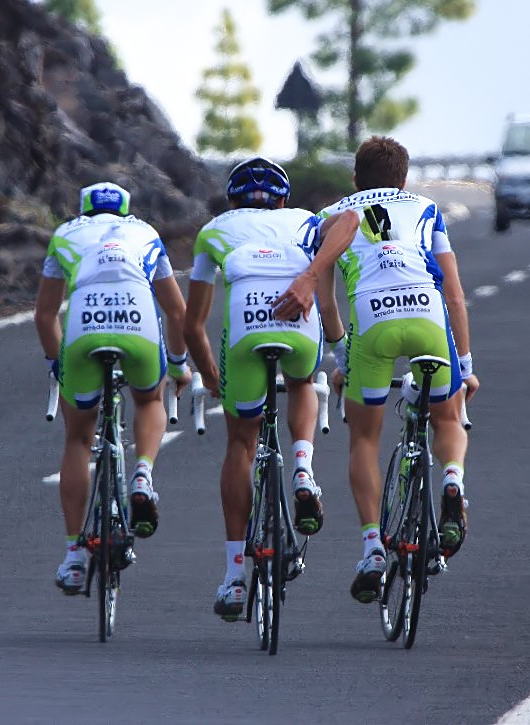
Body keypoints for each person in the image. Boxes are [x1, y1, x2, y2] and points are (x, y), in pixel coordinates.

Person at [273, 136, 480, 604]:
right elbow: (454, 293)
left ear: (355, 178)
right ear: (403, 179)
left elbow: (325, 301)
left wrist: (343, 354)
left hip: (372, 315)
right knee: (447, 415)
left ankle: (372, 548)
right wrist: (466, 366)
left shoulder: (335, 215)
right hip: (426, 312)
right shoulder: (425, 208)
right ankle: (452, 481)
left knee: (365, 438)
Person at [183, 157, 358, 619]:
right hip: (298, 326)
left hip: (244, 333)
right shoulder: (304, 220)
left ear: (232, 201)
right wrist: (311, 274)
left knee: (241, 441)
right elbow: (352, 220)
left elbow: (192, 325)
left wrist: (210, 378)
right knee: (302, 379)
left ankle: (235, 576)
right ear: (282, 200)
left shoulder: (214, 231)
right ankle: (302, 467)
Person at [34, 181, 191, 594]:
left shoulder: (65, 234)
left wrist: (57, 365)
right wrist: (177, 364)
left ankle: (72, 556)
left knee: (78, 438)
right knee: (149, 397)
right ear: (126, 213)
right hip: (138, 323)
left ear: (83, 212)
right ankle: (142, 474)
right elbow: (176, 311)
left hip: (84, 328)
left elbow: (46, 313)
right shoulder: (145, 233)